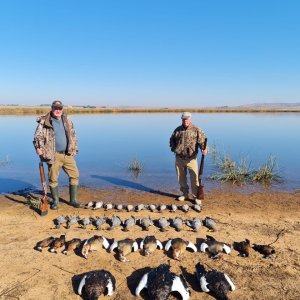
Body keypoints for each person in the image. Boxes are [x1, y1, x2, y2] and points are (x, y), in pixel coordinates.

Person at [33, 100, 80, 209]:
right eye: (55, 108)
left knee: (75, 175)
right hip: (53, 155)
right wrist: (38, 148)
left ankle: (73, 200)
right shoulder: (44, 121)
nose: (58, 110)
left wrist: (75, 149)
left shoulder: (67, 120)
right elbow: (37, 137)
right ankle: (56, 202)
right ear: (52, 109)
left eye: (59, 108)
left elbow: (73, 135)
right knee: (53, 179)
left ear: (62, 109)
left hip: (68, 154)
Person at [169, 112, 208, 204]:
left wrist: (204, 149)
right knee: (181, 178)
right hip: (179, 158)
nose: (185, 120)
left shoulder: (196, 129)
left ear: (190, 119)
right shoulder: (177, 130)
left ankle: (195, 196)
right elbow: (171, 140)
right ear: (182, 119)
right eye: (184, 119)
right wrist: (174, 148)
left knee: (195, 178)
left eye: (187, 119)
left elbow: (203, 142)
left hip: (191, 159)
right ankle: (185, 194)